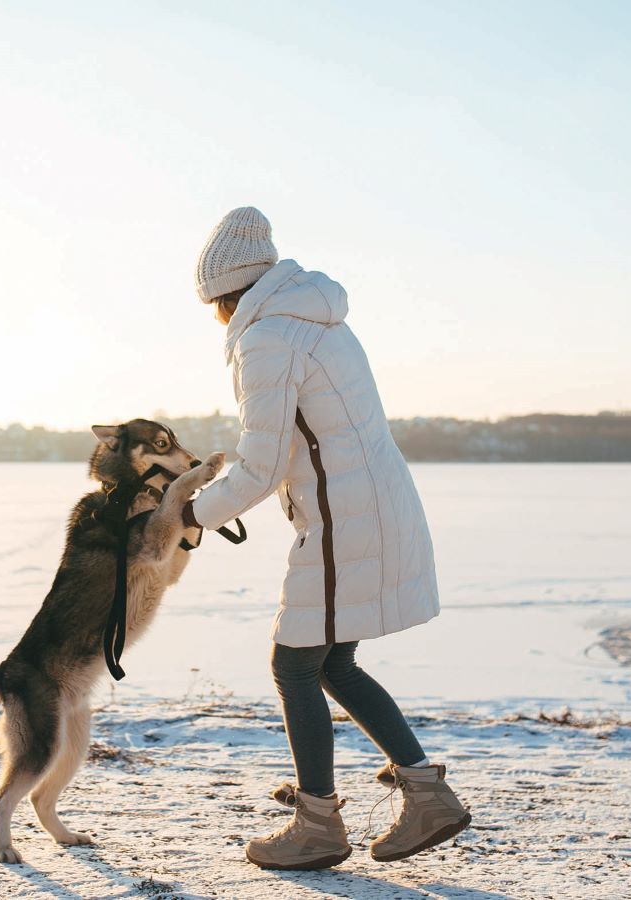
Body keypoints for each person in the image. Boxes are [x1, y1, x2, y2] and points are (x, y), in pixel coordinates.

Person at [181, 207, 470, 870]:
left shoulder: (269, 338)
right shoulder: (317, 319)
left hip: (344, 523)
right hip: (364, 510)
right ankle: (428, 796)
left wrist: (190, 517)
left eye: (214, 305)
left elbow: (261, 461)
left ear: (227, 296)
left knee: (294, 663)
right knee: (331, 665)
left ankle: (319, 824)